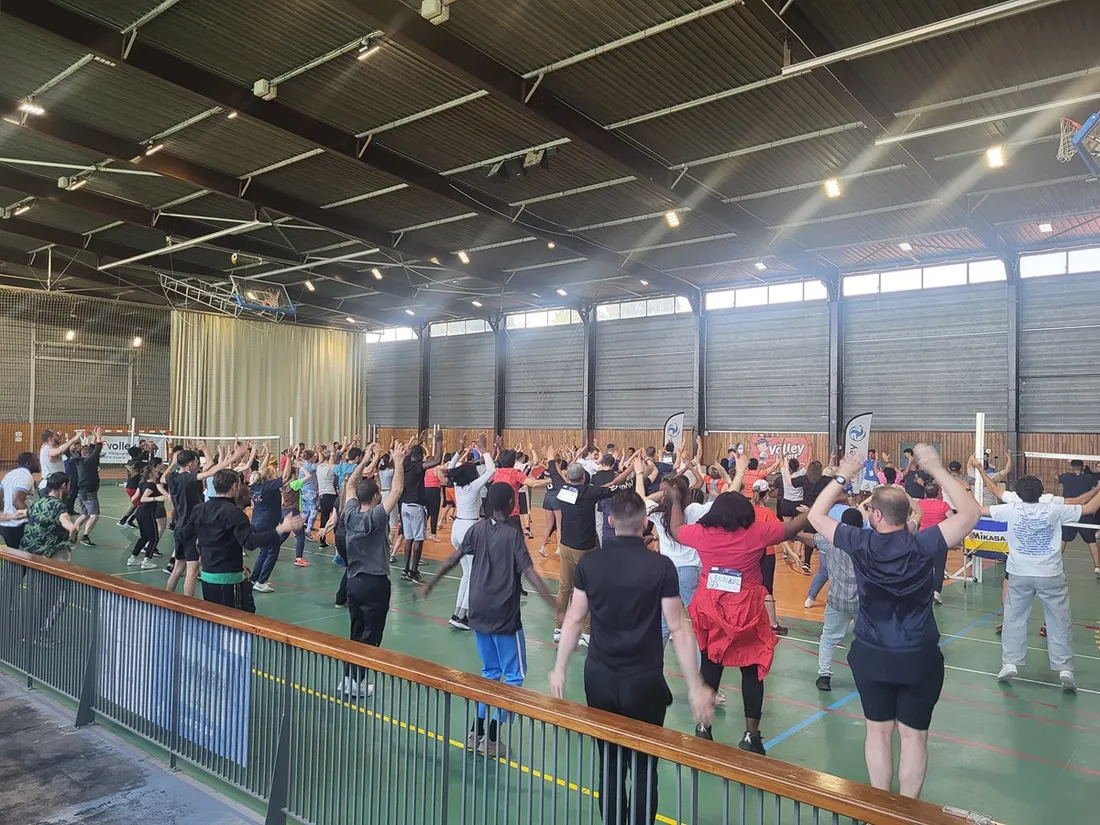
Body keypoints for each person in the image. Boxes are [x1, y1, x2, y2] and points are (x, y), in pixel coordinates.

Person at [808, 443, 979, 798]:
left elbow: (815, 515)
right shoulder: (926, 543)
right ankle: (908, 811)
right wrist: (935, 467)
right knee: (914, 736)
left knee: (878, 731)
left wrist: (844, 474)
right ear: (907, 517)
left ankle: (881, 808)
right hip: (919, 654)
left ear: (877, 517)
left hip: (872, 653)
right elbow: (970, 513)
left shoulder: (860, 543)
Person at [549, 491, 714, 825]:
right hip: (644, 683)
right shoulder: (661, 566)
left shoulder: (591, 563)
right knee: (643, 767)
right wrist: (695, 685)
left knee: (608, 765)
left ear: (610, 522)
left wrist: (559, 668)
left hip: (599, 679)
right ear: (644, 522)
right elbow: (678, 629)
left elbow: (574, 618)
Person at [668, 474, 809, 752]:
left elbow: (675, 529)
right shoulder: (757, 532)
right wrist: (812, 512)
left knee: (711, 664)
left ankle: (703, 726)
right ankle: (750, 735)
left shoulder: (702, 534)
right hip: (747, 610)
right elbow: (792, 529)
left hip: (711, 607)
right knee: (752, 670)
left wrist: (674, 500)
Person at [420, 483, 556, 758]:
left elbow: (452, 559)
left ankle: (476, 731)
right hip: (504, 614)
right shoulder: (512, 534)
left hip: (478, 610)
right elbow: (528, 572)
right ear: (510, 504)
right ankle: (492, 736)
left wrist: (431, 583)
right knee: (515, 676)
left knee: (490, 672)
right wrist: (553, 602)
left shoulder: (476, 530)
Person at [987, 474, 1100, 692]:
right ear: (1042, 493)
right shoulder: (1053, 509)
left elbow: (978, 510)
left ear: (1018, 494)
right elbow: (1089, 508)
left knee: (1014, 618)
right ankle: (1065, 669)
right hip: (1050, 575)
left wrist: (962, 489)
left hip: (1019, 574)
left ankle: (1010, 663)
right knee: (1059, 620)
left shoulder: (1010, 509)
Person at [176, 469, 302, 612]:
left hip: (207, 575)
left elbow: (183, 535)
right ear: (235, 486)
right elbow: (249, 542)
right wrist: (280, 529)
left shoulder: (199, 509)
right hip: (229, 578)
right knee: (238, 617)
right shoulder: (234, 512)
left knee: (214, 615)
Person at [338, 442, 406, 698]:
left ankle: (347, 679)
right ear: (376, 498)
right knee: (371, 636)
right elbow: (397, 489)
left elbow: (350, 484)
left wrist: (366, 459)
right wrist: (398, 460)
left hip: (354, 581)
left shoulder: (350, 513)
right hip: (376, 583)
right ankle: (357, 683)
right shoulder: (376, 517)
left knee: (355, 630)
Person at [548, 451, 633, 647]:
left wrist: (551, 457)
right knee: (586, 590)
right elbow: (614, 485)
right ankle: (586, 632)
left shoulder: (562, 489)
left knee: (564, 588)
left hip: (565, 546)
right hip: (585, 550)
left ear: (568, 477)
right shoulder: (590, 493)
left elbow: (553, 471)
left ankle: (559, 629)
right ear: (584, 477)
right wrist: (630, 469)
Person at [166, 445, 242, 596]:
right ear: (189, 464)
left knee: (178, 568)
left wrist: (174, 461)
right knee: (192, 571)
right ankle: (189, 606)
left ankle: (167, 598)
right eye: (194, 462)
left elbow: (163, 477)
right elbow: (212, 471)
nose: (196, 464)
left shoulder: (171, 477)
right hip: (190, 528)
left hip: (179, 527)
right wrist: (234, 457)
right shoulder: (188, 478)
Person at [443, 444, 495, 630]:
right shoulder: (473, 486)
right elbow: (491, 470)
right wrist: (484, 450)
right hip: (469, 529)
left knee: (467, 573)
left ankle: (458, 612)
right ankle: (461, 616)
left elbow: (450, 468)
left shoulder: (458, 486)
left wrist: (459, 451)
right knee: (472, 574)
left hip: (456, 528)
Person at [814, 507, 865, 691]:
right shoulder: (868, 542)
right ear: (861, 525)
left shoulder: (830, 541)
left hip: (836, 600)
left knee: (828, 637)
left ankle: (824, 676)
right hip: (862, 601)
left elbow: (809, 537)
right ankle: (866, 676)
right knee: (866, 640)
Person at [399, 443, 441, 584]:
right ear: (418, 456)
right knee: (418, 539)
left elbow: (407, 454)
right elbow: (437, 460)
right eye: (422, 456)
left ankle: (405, 570)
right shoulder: (417, 467)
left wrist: (420, 442)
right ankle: (414, 571)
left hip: (404, 506)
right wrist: (439, 441)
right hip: (416, 506)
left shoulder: (404, 464)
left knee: (409, 538)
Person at [1058, 459, 1100, 577]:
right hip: (1084, 512)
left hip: (1069, 513)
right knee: (1091, 541)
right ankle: (1097, 567)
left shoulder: (1065, 477)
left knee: (1063, 539)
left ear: (1071, 466)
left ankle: (1055, 564)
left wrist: (1053, 475)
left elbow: (1056, 478)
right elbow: (1097, 486)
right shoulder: (1089, 478)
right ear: (1083, 466)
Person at [249, 458, 286, 593]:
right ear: (269, 477)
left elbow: (261, 472)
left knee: (263, 551)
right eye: (274, 474)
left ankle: (254, 578)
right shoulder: (269, 486)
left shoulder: (255, 487)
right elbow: (286, 476)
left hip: (256, 522)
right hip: (268, 523)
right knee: (272, 552)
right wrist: (290, 460)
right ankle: (262, 581)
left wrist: (267, 454)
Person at [21, 471, 77, 560]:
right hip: (47, 554)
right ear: (63, 486)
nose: (70, 487)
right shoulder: (59, 507)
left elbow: (20, 513)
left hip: (27, 550)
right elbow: (72, 528)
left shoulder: (38, 502)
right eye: (69, 485)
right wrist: (71, 543)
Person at [917, 482, 954, 604]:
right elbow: (953, 521)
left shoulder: (920, 504)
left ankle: (923, 591)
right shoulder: (944, 506)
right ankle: (936, 592)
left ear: (925, 493)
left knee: (924, 566)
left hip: (922, 539)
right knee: (939, 567)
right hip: (940, 538)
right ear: (939, 493)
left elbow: (914, 519)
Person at [126, 463, 168, 569]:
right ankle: (146, 561)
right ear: (150, 474)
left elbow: (133, 499)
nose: (157, 471)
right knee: (153, 538)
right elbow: (143, 498)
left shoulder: (142, 484)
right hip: (147, 513)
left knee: (144, 537)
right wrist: (156, 498)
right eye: (154, 471)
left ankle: (133, 558)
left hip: (140, 513)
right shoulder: (151, 486)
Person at [73, 427, 105, 546]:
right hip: (89, 492)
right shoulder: (88, 462)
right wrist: (99, 436)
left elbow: (91, 449)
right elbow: (96, 450)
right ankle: (85, 536)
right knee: (94, 515)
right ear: (87, 455)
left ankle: (73, 532)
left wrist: (91, 437)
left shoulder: (81, 460)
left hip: (82, 492)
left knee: (85, 515)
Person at [0, 451, 39, 548]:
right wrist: (33, 516)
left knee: (13, 556)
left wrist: (3, 513)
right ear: (28, 463)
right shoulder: (26, 477)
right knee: (23, 556)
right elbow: (16, 501)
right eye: (36, 461)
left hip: (5, 524)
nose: (38, 463)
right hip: (18, 525)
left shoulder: (10, 474)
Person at [315, 449, 339, 549]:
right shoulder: (331, 469)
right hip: (331, 495)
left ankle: (322, 540)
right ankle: (338, 540)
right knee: (336, 518)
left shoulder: (318, 467)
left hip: (322, 496)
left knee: (324, 518)